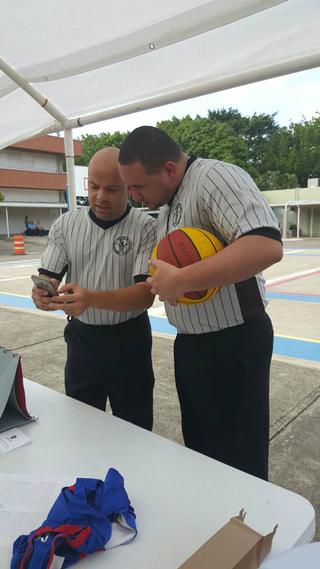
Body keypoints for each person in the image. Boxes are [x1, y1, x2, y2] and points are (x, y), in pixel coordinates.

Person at [118, 126, 283, 480]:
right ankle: (218, 528)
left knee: (240, 461)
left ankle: (248, 530)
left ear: (169, 169)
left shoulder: (215, 178)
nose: (132, 196)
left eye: (138, 186)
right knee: (202, 453)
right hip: (192, 344)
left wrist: (181, 280)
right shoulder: (167, 206)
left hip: (233, 341)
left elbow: (266, 245)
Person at [31, 147, 156, 430]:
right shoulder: (66, 224)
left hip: (129, 341)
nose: (101, 196)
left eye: (112, 189)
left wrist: (91, 299)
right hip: (82, 341)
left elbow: (145, 295)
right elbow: (49, 275)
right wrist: (42, 292)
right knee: (82, 426)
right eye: (95, 186)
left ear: (128, 187)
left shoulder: (145, 227)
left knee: (134, 429)